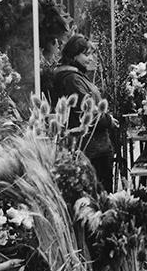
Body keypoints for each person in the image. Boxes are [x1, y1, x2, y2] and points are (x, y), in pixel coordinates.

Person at [49, 35, 118, 192]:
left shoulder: (74, 76)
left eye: (91, 54)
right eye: (86, 54)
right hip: (91, 150)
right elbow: (88, 111)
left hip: (93, 146)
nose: (90, 58)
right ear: (74, 55)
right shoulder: (72, 79)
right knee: (98, 197)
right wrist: (108, 120)